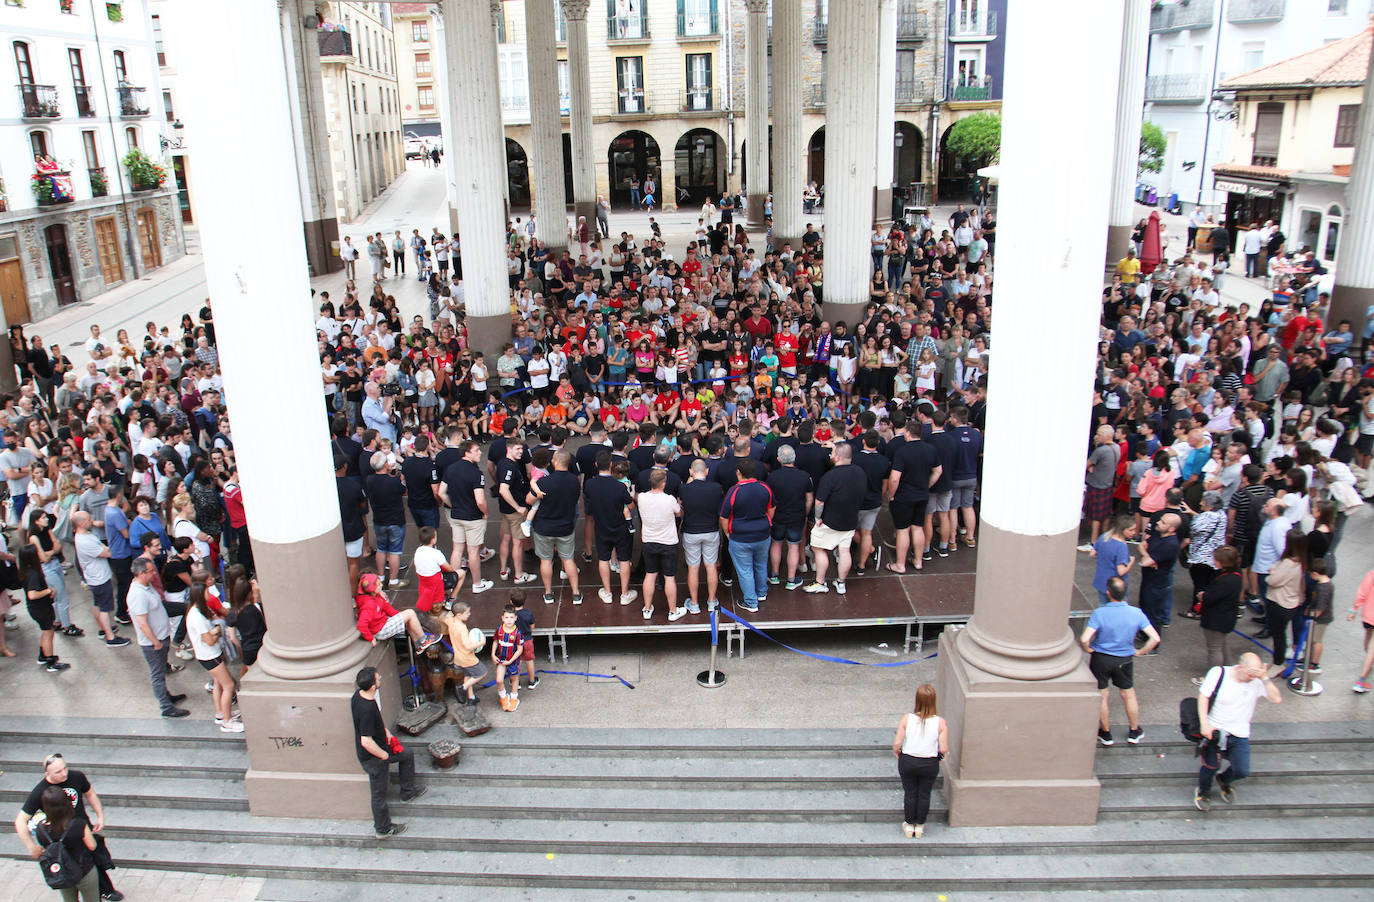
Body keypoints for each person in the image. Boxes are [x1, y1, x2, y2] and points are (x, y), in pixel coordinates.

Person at [15, 753, 125, 900]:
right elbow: (20, 820)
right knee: (73, 870)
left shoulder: (76, 777)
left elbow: (90, 793)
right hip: (61, 838)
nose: (64, 773)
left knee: (96, 861)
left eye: (65, 768)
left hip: (82, 830)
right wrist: (31, 846)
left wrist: (100, 815)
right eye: (58, 772)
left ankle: (105, 889)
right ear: (47, 773)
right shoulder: (40, 791)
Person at [1194, 651, 1282, 811]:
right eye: (1250, 674)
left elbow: (1276, 699)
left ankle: (1224, 780)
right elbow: (1203, 697)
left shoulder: (1257, 681)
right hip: (1215, 729)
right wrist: (1204, 724)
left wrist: (1265, 679)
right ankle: (1203, 791)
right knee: (1210, 766)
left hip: (1239, 733)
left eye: (1255, 674)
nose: (1252, 678)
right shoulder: (1219, 673)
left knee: (1242, 770)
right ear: (1240, 667)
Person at [1080, 576, 1160, 747]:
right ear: (1125, 593)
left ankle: (1106, 733)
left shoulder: (1100, 613)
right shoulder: (1136, 613)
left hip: (1101, 658)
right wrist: (1140, 651)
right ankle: (1134, 730)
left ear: (1108, 593)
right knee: (1128, 693)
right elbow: (1154, 638)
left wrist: (1088, 649)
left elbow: (1085, 639)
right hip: (1124, 659)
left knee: (1102, 695)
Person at [351, 666, 424, 838]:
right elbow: (366, 740)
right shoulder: (367, 708)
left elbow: (374, 725)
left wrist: (387, 735)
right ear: (372, 686)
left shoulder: (359, 697)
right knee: (378, 793)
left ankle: (407, 791)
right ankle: (383, 828)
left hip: (381, 746)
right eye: (378, 678)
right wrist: (383, 756)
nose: (380, 678)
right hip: (374, 756)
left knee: (406, 755)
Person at [126, 556, 190, 718]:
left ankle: (166, 696)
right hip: (153, 642)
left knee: (161, 670)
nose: (154, 574)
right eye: (150, 571)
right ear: (140, 573)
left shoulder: (146, 587)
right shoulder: (138, 594)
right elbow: (142, 622)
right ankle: (166, 707)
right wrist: (155, 641)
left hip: (161, 636)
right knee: (157, 674)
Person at [805, 443, 866, 595]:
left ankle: (820, 582)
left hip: (829, 521)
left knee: (818, 548)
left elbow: (819, 501)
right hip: (850, 519)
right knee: (844, 551)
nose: (830, 455)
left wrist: (818, 517)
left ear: (837, 456)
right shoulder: (860, 472)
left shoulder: (830, 476)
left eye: (832, 452)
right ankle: (841, 583)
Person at [891, 683, 948, 839]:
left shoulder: (907, 719)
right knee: (924, 794)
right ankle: (920, 826)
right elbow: (943, 748)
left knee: (910, 793)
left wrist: (899, 752)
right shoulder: (940, 722)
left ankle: (909, 825)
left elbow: (897, 743)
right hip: (929, 762)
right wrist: (940, 758)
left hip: (908, 760)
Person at [718, 457, 773, 612]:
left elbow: (723, 516)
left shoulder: (734, 491)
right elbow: (772, 507)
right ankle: (761, 593)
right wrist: (767, 522)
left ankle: (751, 601)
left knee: (745, 570)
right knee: (761, 565)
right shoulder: (765, 487)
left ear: (738, 473)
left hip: (740, 537)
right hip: (763, 535)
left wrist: (727, 532)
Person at [530, 450, 584, 606]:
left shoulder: (544, 482)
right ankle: (575, 593)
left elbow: (529, 500)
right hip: (565, 527)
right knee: (568, 559)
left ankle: (548, 593)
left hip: (544, 527)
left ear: (555, 461)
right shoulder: (575, 481)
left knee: (546, 560)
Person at [439, 440, 493, 594]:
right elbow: (480, 500)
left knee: (457, 549)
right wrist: (485, 512)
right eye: (476, 450)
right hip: (473, 517)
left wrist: (451, 505)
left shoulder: (450, 469)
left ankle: (455, 581)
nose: (480, 452)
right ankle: (477, 583)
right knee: (474, 552)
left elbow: (441, 492)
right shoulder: (476, 473)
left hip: (456, 515)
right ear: (466, 453)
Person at [33, 783, 100, 901]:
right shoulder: (78, 824)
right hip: (84, 870)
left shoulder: (41, 830)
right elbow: (92, 846)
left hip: (61, 871)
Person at [72, 511, 128, 648]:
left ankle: (103, 628)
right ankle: (110, 637)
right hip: (99, 578)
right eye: (87, 519)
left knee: (98, 604)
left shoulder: (85, 536)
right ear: (80, 523)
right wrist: (107, 549)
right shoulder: (84, 541)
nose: (91, 520)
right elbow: (106, 553)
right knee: (105, 607)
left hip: (95, 577)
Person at [637, 468, 683, 621]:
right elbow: (678, 512)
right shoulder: (669, 499)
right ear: (663, 484)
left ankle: (647, 608)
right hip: (668, 542)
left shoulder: (642, 497)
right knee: (669, 577)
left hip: (649, 541)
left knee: (650, 575)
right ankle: (672, 611)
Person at [491, 605, 525, 711]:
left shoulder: (518, 633)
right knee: (499, 680)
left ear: (515, 618)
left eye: (511, 617)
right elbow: (496, 641)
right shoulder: (499, 629)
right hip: (501, 659)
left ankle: (514, 698)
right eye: (506, 617)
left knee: (514, 679)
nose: (509, 620)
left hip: (512, 661)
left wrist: (511, 660)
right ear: (502, 618)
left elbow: (520, 649)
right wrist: (493, 654)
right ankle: (504, 697)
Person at [1350, 568, 1374, 694]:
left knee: (1368, 635)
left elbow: (1362, 592)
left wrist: (1354, 609)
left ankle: (1369, 659)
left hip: (1368, 614)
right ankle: (1361, 680)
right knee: (1373, 646)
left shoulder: (1372, 573)